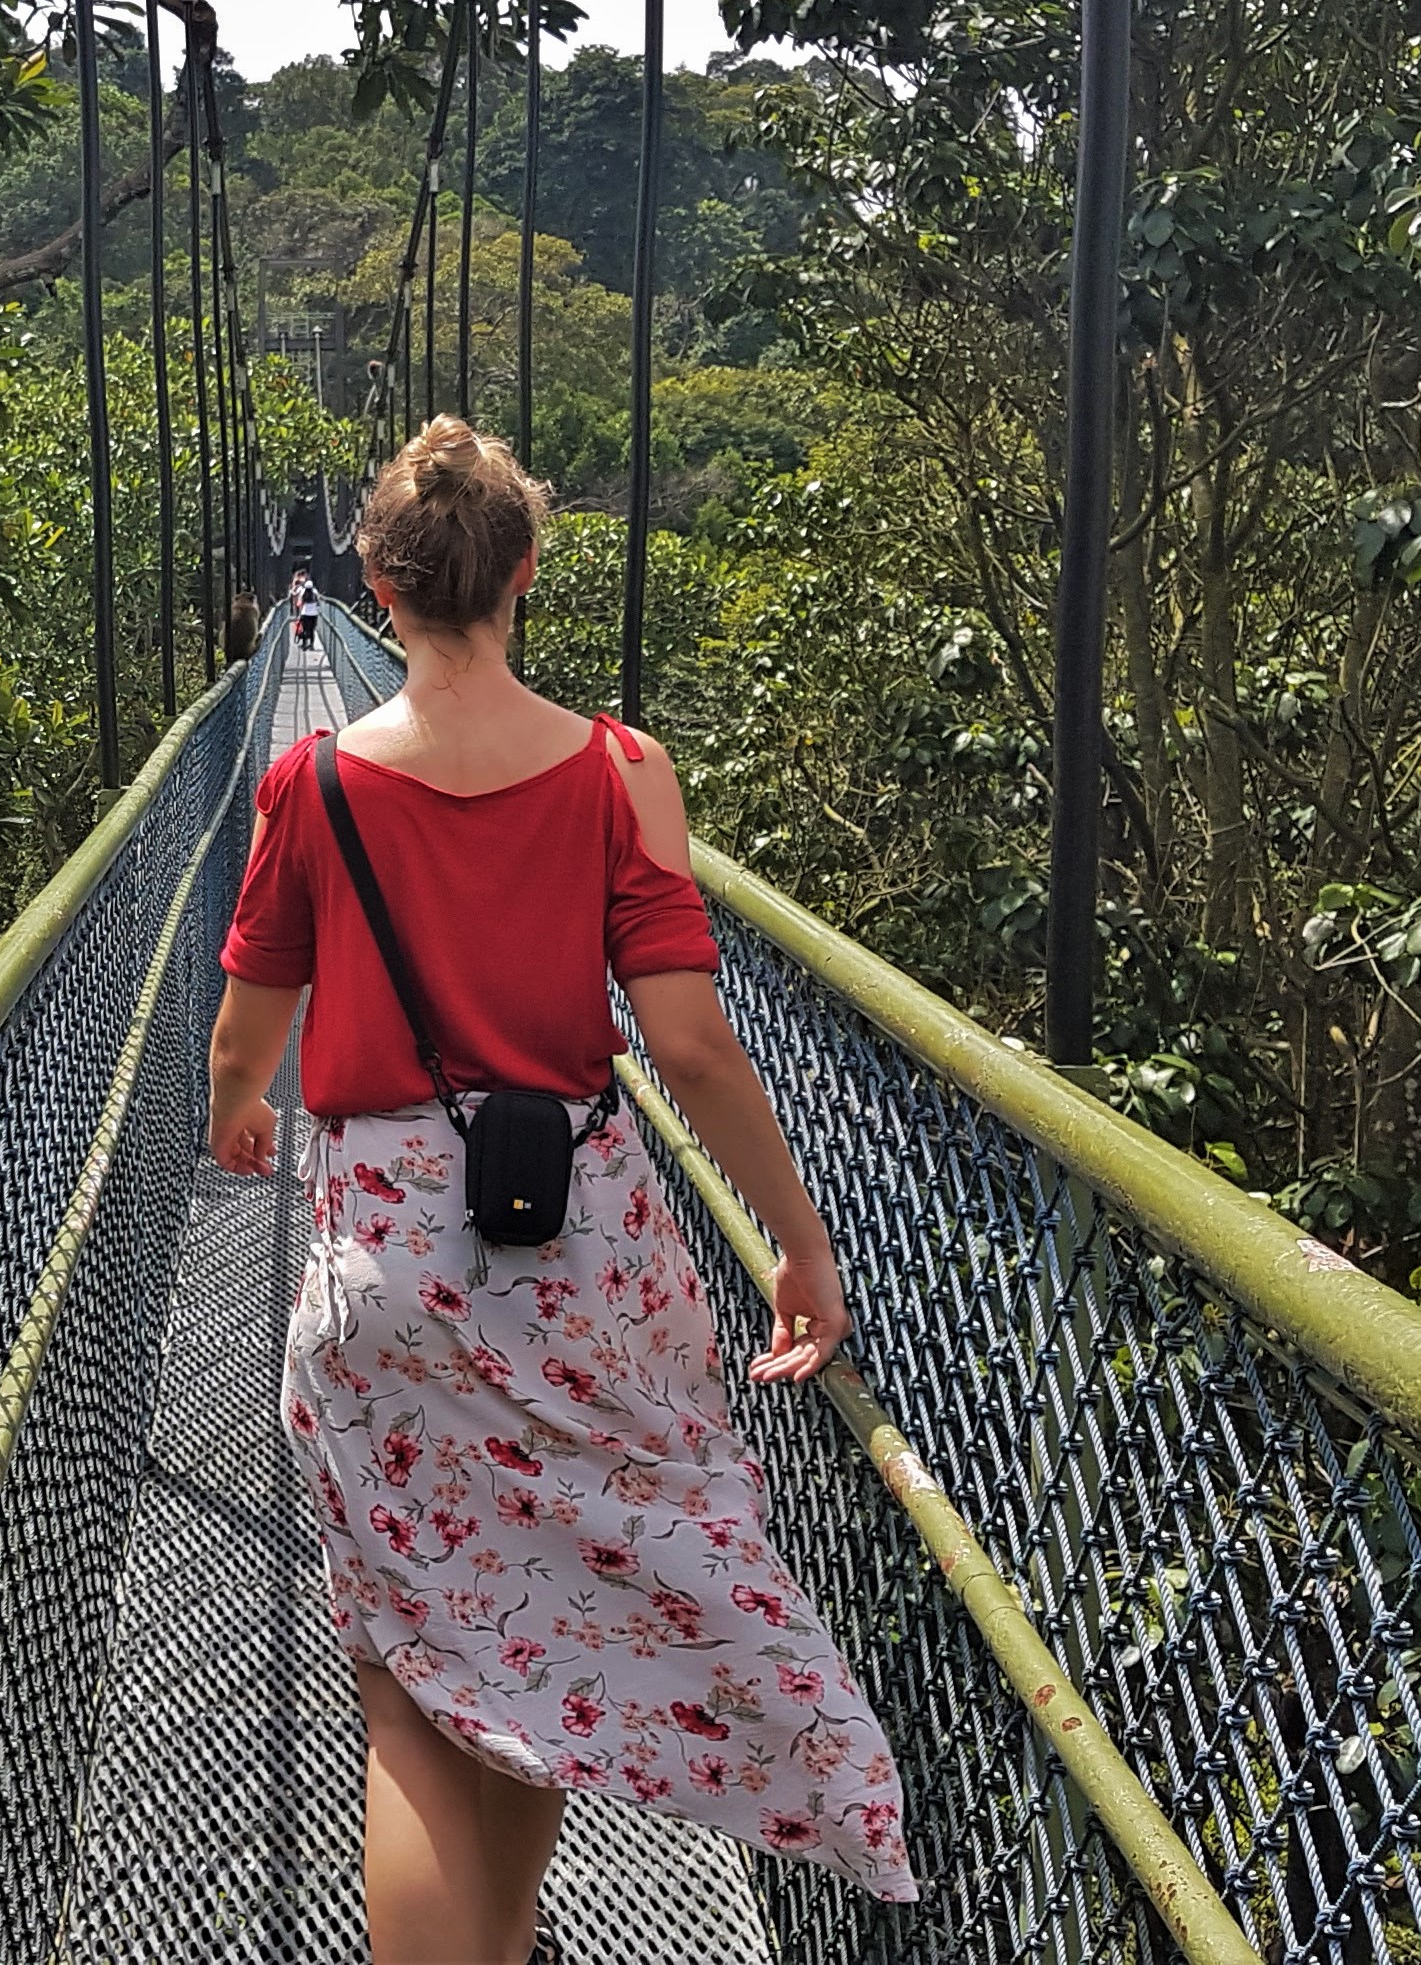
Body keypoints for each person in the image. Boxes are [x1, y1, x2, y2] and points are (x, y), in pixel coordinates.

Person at [207, 417, 915, 1961]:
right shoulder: (618, 770)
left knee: (415, 1687)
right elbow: (690, 1044)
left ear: (377, 588)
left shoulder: (310, 783)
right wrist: (799, 1241)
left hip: (385, 1265)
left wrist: (237, 1109)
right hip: (580, 1256)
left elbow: (249, 1028)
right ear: (527, 571)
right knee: (540, 1639)